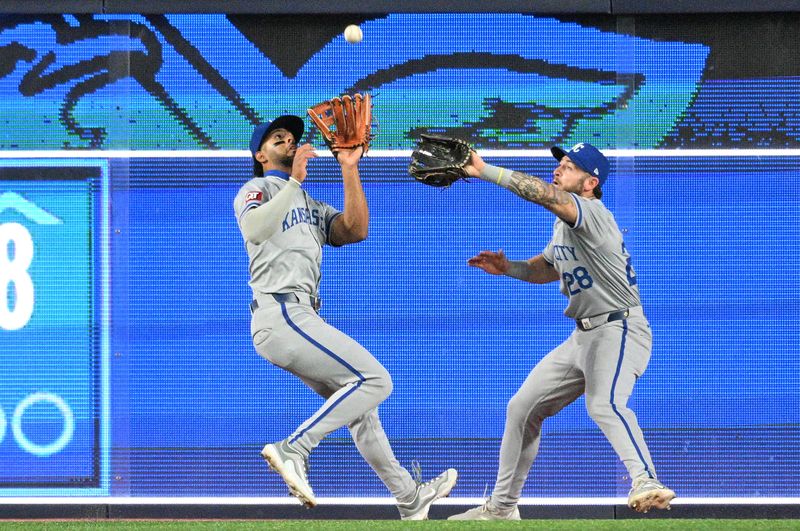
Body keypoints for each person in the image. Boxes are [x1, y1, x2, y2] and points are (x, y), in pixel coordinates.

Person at [233, 115, 457, 520]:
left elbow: (354, 229)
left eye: (291, 137)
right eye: (277, 139)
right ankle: (294, 448)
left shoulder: (308, 204)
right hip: (280, 311)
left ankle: (408, 496)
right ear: (259, 154)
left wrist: (349, 167)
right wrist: (295, 181)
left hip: (297, 313)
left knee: (361, 409)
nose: (288, 141)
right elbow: (257, 228)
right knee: (375, 380)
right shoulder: (257, 188)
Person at [448, 143, 675, 520]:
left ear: (590, 183)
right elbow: (548, 268)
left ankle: (646, 480)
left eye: (569, 167)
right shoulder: (567, 224)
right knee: (522, 409)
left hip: (619, 328)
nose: (559, 170)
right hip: (583, 337)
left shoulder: (590, 211)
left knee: (604, 403)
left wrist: (485, 170)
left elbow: (546, 196)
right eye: (561, 164)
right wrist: (510, 269)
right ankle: (501, 508)